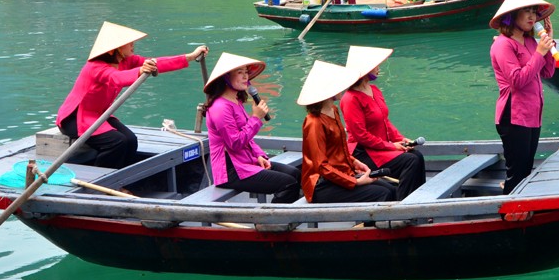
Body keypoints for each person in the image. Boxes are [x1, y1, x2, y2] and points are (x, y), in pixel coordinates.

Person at [56, 21, 207, 168]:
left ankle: (120, 178)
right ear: (114, 49)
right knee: (117, 142)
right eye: (128, 43)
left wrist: (190, 56)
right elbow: (116, 78)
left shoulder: (126, 61)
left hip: (98, 115)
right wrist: (140, 70)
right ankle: (100, 179)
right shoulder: (95, 67)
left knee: (130, 140)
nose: (133, 45)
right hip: (76, 118)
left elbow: (156, 62)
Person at [204, 53, 300, 203]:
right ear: (226, 78)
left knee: (295, 173)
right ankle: (272, 222)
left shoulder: (236, 101)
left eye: (246, 72)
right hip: (231, 171)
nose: (245, 77)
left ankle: (284, 218)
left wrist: (259, 156)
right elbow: (235, 143)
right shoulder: (220, 108)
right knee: (288, 183)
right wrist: (256, 118)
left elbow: (247, 138)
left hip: (246, 162)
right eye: (239, 73)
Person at [299, 60, 395, 204]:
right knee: (383, 193)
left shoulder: (333, 110)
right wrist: (354, 182)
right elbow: (321, 166)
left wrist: (355, 162)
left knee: (391, 188)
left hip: (341, 174)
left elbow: (339, 150)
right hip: (321, 185)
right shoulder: (314, 122)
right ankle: (372, 226)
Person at [489, 0, 556, 194]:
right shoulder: (502, 45)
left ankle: (524, 211)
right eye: (526, 11)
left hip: (532, 114)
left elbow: (547, 71)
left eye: (534, 12)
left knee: (527, 170)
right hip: (514, 115)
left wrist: (549, 45)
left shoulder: (529, 41)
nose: (531, 16)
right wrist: (539, 53)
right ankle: (509, 212)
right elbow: (517, 80)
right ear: (512, 16)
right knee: (516, 173)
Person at [340, 45, 426, 200]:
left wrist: (400, 139)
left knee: (417, 155)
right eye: (375, 65)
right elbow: (361, 136)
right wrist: (391, 146)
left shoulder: (375, 90)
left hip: (380, 147)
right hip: (363, 152)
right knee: (410, 161)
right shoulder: (351, 98)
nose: (378, 68)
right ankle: (401, 208)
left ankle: (419, 202)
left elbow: (385, 121)